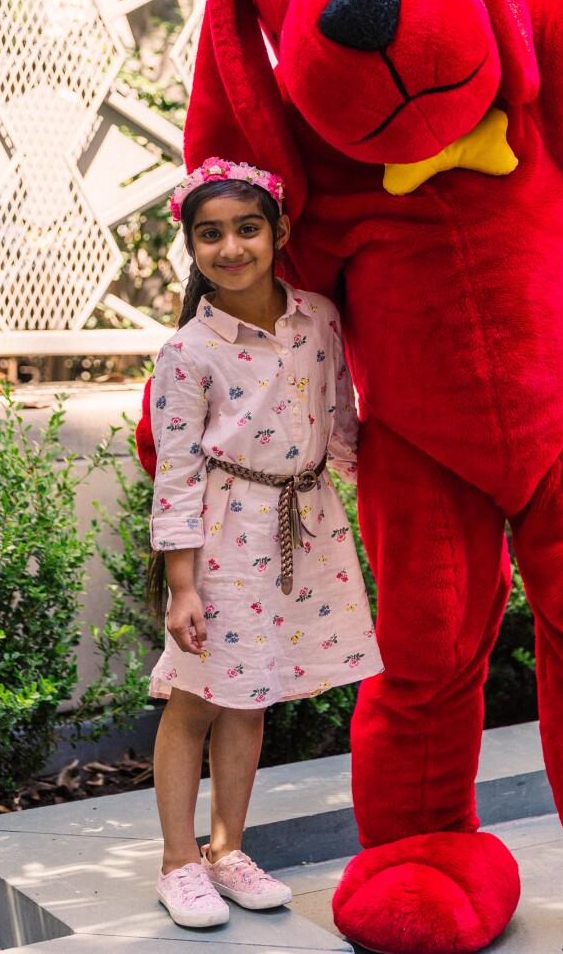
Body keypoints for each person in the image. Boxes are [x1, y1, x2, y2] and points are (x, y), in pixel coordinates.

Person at [146, 157, 382, 929]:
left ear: (279, 231)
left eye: (248, 228)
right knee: (195, 699)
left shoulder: (319, 316)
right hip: (224, 534)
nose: (232, 247)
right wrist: (182, 585)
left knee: (251, 699)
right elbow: (177, 472)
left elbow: (341, 419)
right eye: (210, 234)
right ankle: (179, 862)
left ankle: (226, 849)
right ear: (191, 246)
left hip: (304, 525)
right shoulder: (189, 350)